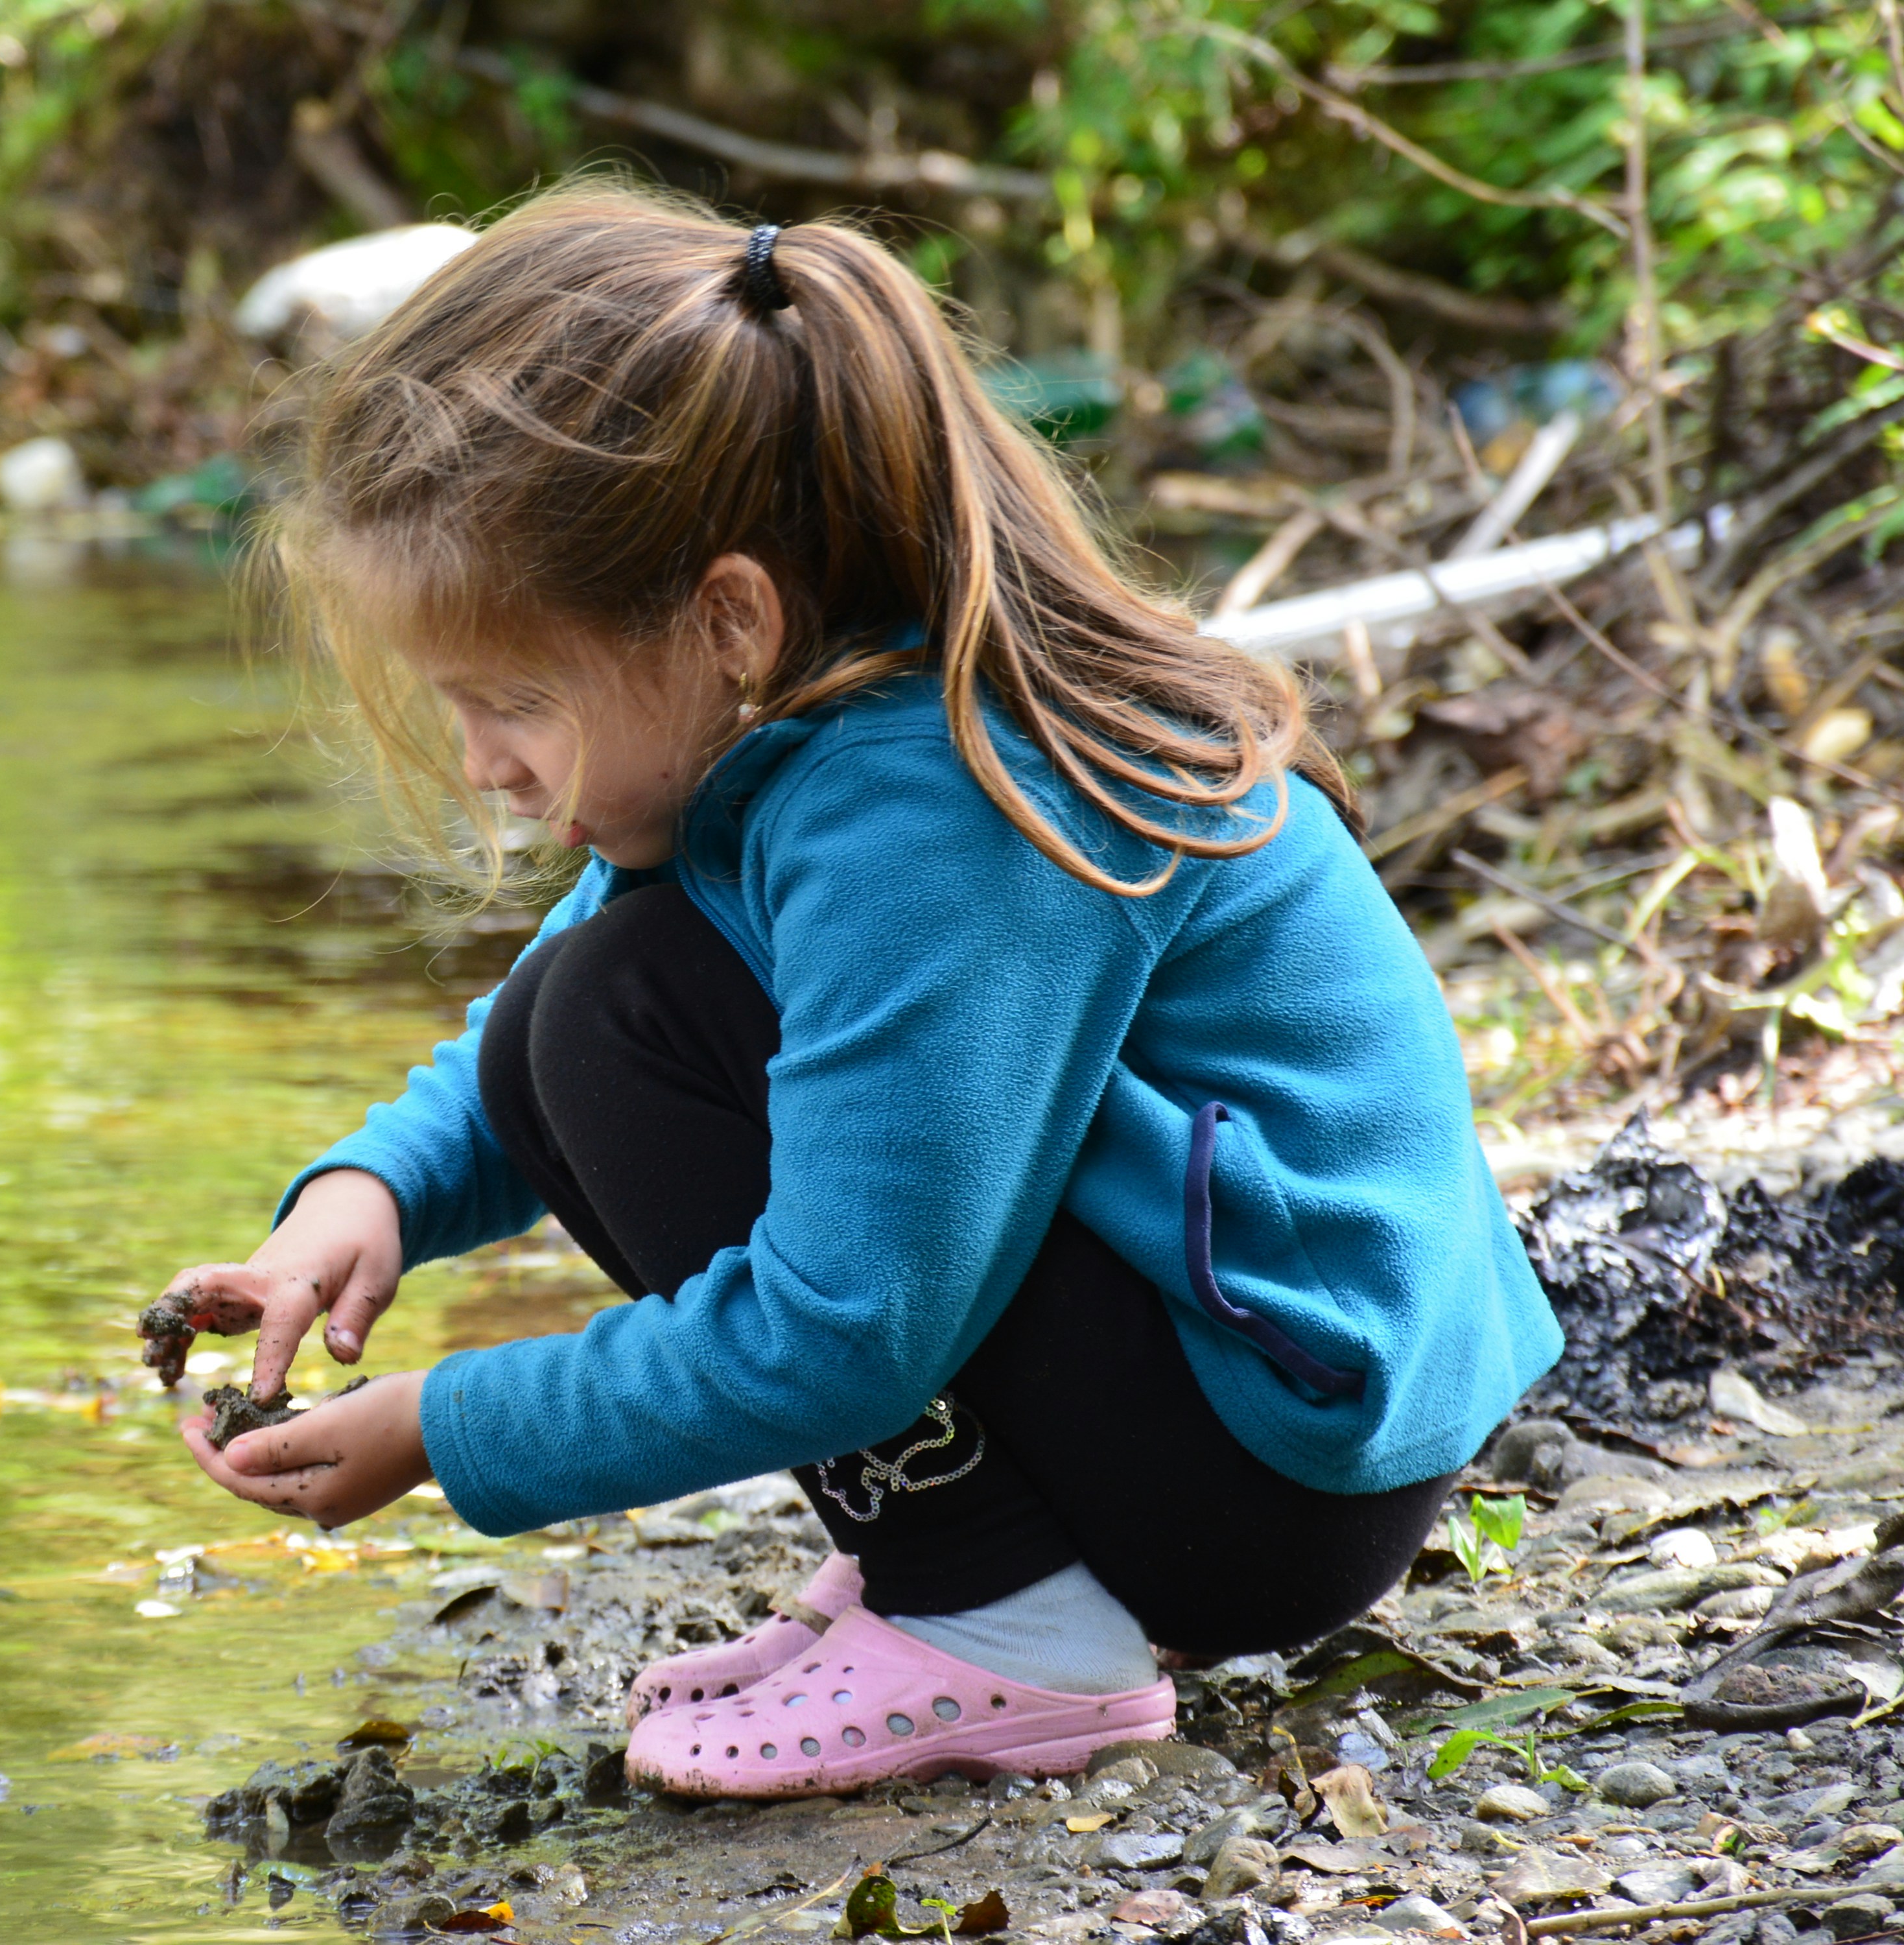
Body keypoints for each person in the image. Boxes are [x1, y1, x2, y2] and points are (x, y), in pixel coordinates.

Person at [152, 183, 1561, 1799]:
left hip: (1273, 1470)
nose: (483, 767)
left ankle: (1012, 1626)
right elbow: (536, 1031)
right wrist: (371, 1192)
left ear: (728, 617)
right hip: (1263, 1399)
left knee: (613, 1025)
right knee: (586, 1014)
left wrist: (450, 1430)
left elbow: (842, 1329)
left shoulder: (936, 807)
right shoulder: (832, 710)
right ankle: (976, 1564)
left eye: (514, 700)